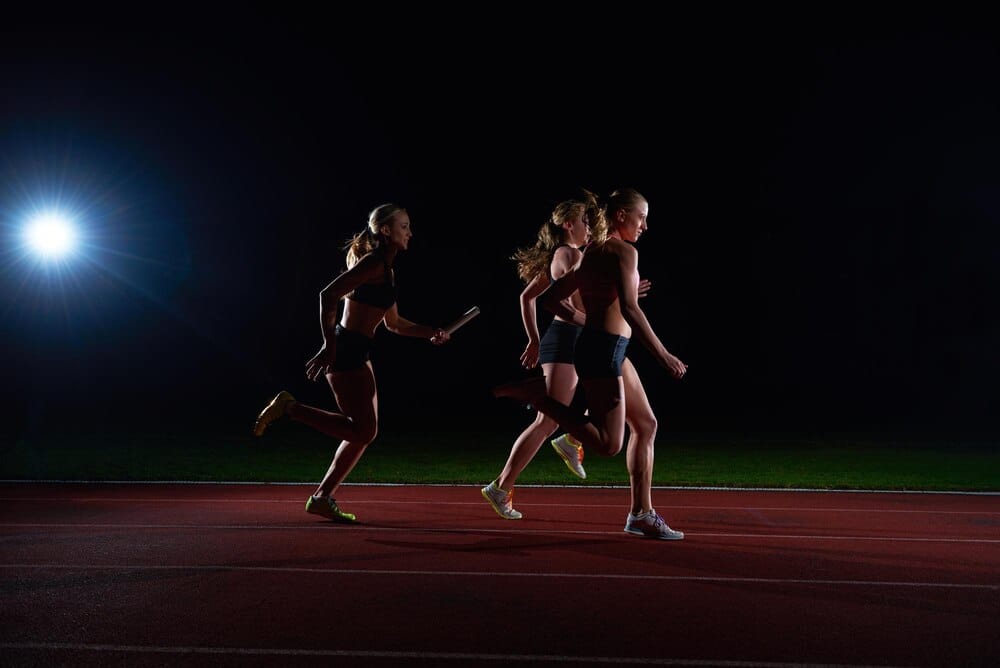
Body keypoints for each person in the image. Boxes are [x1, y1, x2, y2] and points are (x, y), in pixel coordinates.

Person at [493, 188, 688, 540]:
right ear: (621, 216)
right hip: (604, 350)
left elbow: (550, 298)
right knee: (609, 444)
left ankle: (641, 514)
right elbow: (630, 309)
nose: (645, 224)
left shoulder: (591, 254)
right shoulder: (623, 251)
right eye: (641, 216)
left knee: (645, 425)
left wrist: (601, 305)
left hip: (603, 347)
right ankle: (539, 399)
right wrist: (663, 354)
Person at [253, 203, 450, 523]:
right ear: (385, 231)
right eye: (404, 226)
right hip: (345, 351)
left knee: (363, 432)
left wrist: (432, 332)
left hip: (359, 351)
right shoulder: (372, 264)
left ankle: (322, 496)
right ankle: (290, 409)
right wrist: (329, 345)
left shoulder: (387, 270)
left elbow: (395, 324)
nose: (410, 233)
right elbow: (327, 296)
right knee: (362, 431)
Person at [480, 195, 595, 520]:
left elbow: (527, 296)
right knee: (547, 420)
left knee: (610, 396)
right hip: (566, 339)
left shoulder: (565, 255)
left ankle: (572, 440)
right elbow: (568, 304)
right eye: (584, 221)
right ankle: (501, 486)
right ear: (567, 224)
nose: (589, 227)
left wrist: (533, 338)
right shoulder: (567, 254)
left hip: (569, 340)